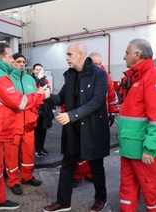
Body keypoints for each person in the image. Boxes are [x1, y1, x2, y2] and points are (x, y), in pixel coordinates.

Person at [0, 42, 49, 212]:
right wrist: (40, 95)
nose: (13, 60)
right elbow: (19, 102)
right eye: (11, 57)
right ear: (1, 57)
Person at [43, 43, 110, 212]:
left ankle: (101, 198)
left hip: (92, 128)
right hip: (74, 129)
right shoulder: (71, 75)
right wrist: (46, 96)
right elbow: (60, 98)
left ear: (80, 54)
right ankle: (63, 202)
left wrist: (71, 116)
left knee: (96, 167)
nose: (66, 58)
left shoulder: (99, 74)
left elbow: (96, 101)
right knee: (67, 165)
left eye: (69, 54)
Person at [118, 38, 156, 211]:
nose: (124, 57)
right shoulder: (137, 77)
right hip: (130, 148)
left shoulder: (154, 76)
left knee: (152, 193)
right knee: (127, 191)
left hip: (145, 152)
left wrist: (151, 148)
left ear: (137, 54)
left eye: (127, 53)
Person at [72, 52, 117, 188]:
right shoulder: (81, 75)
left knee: (95, 150)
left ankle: (91, 174)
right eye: (95, 63)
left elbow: (111, 95)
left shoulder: (105, 76)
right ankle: (78, 174)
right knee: (81, 150)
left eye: (100, 63)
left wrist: (113, 112)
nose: (98, 66)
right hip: (82, 117)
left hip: (99, 118)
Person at [5, 52, 42, 196]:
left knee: (28, 153)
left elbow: (35, 99)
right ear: (12, 62)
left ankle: (27, 177)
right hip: (13, 124)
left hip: (29, 123)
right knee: (11, 155)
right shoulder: (7, 79)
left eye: (23, 62)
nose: (21, 64)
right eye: (18, 61)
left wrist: (35, 114)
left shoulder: (29, 79)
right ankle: (13, 181)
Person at [32, 63, 54, 158]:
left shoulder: (45, 80)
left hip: (45, 108)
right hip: (36, 108)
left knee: (43, 129)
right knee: (37, 130)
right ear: (33, 71)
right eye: (37, 69)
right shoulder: (31, 79)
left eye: (40, 69)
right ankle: (37, 149)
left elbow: (49, 90)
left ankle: (41, 147)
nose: (39, 71)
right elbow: (32, 91)